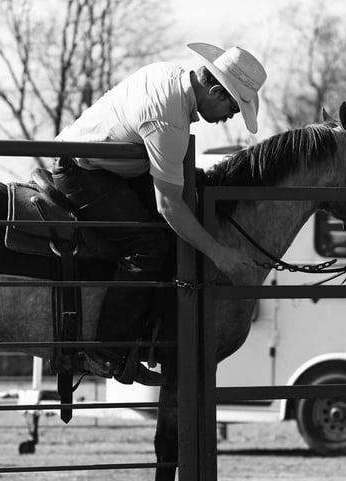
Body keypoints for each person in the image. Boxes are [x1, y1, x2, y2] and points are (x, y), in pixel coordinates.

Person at [52, 42, 267, 386]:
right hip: (82, 170)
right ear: (215, 91)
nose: (232, 117)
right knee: (148, 246)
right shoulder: (169, 120)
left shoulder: (166, 74)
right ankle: (107, 352)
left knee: (177, 226)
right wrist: (218, 253)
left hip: (105, 164)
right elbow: (169, 205)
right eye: (234, 107)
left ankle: (153, 336)